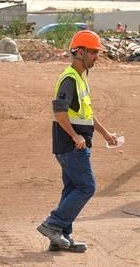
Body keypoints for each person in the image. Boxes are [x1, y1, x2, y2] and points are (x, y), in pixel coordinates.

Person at [37, 30, 118, 253]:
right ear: (79, 52)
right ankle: (52, 225)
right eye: (93, 52)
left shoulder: (81, 77)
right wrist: (75, 136)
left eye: (97, 52)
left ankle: (61, 237)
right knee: (86, 186)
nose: (96, 57)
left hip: (76, 144)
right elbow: (59, 112)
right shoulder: (70, 79)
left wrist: (105, 134)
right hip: (71, 146)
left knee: (72, 188)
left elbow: (86, 114)